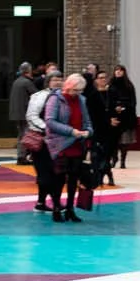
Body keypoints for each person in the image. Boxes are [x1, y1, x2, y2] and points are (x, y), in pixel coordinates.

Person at [43, 74, 93, 223]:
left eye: (80, 90)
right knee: (58, 179)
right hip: (60, 145)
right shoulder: (55, 99)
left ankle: (70, 209)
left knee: (73, 179)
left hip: (77, 144)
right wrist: (71, 131)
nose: (78, 93)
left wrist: (88, 132)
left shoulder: (81, 100)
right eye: (76, 90)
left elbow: (87, 122)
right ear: (68, 87)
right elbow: (50, 121)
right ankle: (57, 208)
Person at [24, 69, 60, 210]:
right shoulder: (39, 96)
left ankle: (41, 202)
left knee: (53, 172)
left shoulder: (62, 96)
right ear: (48, 82)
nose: (58, 82)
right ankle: (53, 202)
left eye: (60, 79)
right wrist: (47, 128)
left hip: (57, 140)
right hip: (42, 139)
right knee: (45, 172)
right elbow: (32, 116)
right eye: (54, 80)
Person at [83, 71, 121, 188]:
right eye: (100, 78)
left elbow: (115, 107)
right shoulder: (92, 95)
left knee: (106, 154)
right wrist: (108, 120)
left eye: (105, 77)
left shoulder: (111, 92)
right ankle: (99, 176)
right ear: (95, 80)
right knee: (98, 154)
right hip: (97, 128)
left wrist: (116, 114)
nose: (103, 80)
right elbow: (93, 114)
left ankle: (106, 175)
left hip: (110, 129)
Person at [108, 65, 138, 167]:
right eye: (116, 70)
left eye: (121, 70)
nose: (118, 72)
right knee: (113, 140)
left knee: (124, 141)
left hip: (127, 117)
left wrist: (124, 107)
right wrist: (114, 108)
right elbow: (108, 100)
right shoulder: (111, 85)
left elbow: (133, 101)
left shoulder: (129, 85)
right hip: (114, 116)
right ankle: (114, 158)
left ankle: (123, 161)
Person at [8, 62, 36, 161]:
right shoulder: (27, 82)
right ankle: (23, 156)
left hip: (17, 113)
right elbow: (36, 95)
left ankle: (21, 155)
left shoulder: (16, 81)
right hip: (25, 113)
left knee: (21, 135)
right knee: (26, 135)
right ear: (28, 71)